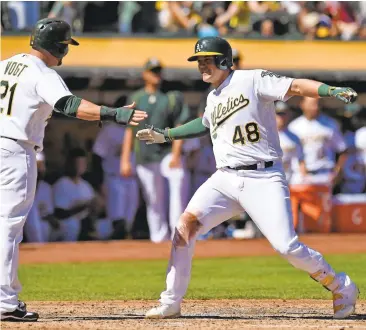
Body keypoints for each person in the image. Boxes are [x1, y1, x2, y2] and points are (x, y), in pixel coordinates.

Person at [136, 36, 359, 319]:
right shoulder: (213, 96)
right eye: (199, 61)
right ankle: (171, 300)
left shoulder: (252, 79)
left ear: (225, 60)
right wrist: (166, 135)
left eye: (208, 60)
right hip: (225, 178)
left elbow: (296, 85)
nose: (202, 66)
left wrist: (330, 90)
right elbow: (203, 123)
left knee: (286, 247)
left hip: (263, 176)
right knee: (185, 226)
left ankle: (341, 286)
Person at [0, 18, 147, 322]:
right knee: (9, 225)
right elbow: (68, 105)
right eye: (65, 45)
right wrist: (112, 113)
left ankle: (8, 294)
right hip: (14, 149)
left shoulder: (7, 63)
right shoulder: (43, 73)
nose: (66, 50)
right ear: (57, 46)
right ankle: (4, 301)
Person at [121, 58, 191, 243]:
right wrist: (125, 159)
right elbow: (129, 130)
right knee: (153, 199)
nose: (156, 75)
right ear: (144, 74)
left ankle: (179, 232)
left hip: (166, 151)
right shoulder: (136, 98)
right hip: (144, 154)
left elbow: (179, 126)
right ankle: (158, 239)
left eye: (159, 71)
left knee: (178, 178)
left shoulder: (170, 96)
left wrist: (176, 154)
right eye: (153, 71)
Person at [288, 97, 348, 233]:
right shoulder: (294, 126)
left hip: (324, 173)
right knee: (300, 212)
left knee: (323, 216)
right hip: (301, 174)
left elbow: (343, 150)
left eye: (316, 104)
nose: (314, 107)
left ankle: (327, 244)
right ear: (302, 104)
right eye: (310, 104)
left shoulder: (330, 124)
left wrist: (338, 172)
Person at [93, 121, 139, 239]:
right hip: (114, 177)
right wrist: (98, 183)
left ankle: (126, 247)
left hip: (132, 178)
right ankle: (113, 248)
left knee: (130, 219)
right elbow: (97, 156)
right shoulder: (109, 129)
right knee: (116, 218)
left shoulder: (139, 128)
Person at [53, 148, 97, 241]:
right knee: (72, 224)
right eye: (77, 163)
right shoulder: (62, 183)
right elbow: (60, 213)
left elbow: (95, 208)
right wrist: (84, 206)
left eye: (82, 164)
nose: (80, 167)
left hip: (87, 223)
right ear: (70, 164)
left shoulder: (86, 185)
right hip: (67, 224)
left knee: (106, 225)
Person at [23, 152, 58, 242]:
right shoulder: (21, 186)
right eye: (36, 165)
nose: (39, 169)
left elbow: (48, 213)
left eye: (41, 166)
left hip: (43, 224)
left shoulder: (46, 188)